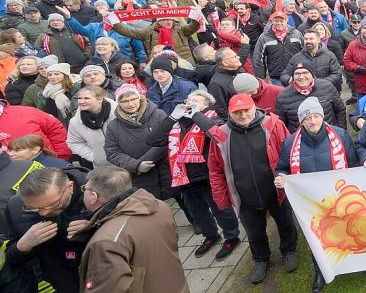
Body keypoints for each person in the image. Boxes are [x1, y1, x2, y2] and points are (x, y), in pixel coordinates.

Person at [204, 93, 298, 284]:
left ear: (254, 107)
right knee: (254, 231)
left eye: (246, 110)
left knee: (286, 223)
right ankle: (261, 259)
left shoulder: (273, 124)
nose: (243, 115)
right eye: (237, 112)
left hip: (276, 190)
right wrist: (221, 198)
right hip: (243, 194)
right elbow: (214, 169)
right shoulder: (221, 134)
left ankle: (289, 250)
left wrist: (290, 180)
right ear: (230, 113)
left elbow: (291, 152)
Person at [273, 97, 358, 293]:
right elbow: (282, 168)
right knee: (316, 237)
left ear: (322, 116)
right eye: (308, 118)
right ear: (301, 121)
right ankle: (319, 271)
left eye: (316, 116)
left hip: (339, 196)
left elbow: (353, 164)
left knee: (346, 231)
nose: (313, 121)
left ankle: (349, 264)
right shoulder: (290, 143)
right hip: (309, 202)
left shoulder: (340, 135)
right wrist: (281, 178)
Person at [146, 90, 242, 262]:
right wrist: (172, 118)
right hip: (184, 177)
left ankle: (231, 236)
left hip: (207, 175)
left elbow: (217, 135)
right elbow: (152, 140)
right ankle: (211, 235)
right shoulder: (177, 124)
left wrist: (196, 114)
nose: (190, 102)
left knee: (220, 209)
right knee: (197, 211)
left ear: (205, 104)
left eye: (196, 100)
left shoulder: (212, 118)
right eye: (188, 99)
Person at [76, 165, 189, 293]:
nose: (83, 191)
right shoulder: (160, 206)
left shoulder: (106, 241)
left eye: (84, 189)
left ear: (93, 197)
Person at [3, 166, 89, 293]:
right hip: (59, 282)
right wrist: (21, 247)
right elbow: (13, 260)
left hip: (97, 278)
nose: (43, 213)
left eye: (51, 204)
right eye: (33, 208)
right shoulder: (14, 207)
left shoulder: (97, 193)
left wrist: (95, 229)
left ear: (69, 187)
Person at [104, 85, 174, 201]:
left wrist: (147, 158)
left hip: (167, 170)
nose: (130, 104)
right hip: (140, 176)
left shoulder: (158, 115)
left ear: (140, 98)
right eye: (125, 101)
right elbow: (112, 152)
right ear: (118, 103)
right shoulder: (113, 126)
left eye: (133, 99)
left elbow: (169, 139)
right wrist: (136, 165)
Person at [112, 14, 201, 63]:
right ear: (159, 21)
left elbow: (194, 26)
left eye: (170, 19)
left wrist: (195, 17)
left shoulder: (180, 28)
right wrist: (113, 22)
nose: (169, 21)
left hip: (184, 62)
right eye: (165, 19)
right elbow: (128, 31)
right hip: (160, 65)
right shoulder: (148, 31)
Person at [66, 85, 116, 168]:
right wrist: (95, 157)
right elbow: (74, 143)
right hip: (103, 167)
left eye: (86, 98)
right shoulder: (76, 121)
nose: (81, 102)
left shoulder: (119, 114)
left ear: (100, 99)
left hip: (127, 162)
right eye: (79, 98)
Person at [5, 134, 69, 168]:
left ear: (35, 150)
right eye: (10, 150)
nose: (10, 154)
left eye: (17, 150)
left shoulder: (55, 168)